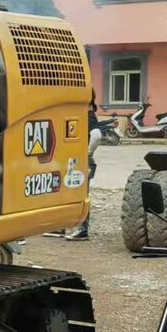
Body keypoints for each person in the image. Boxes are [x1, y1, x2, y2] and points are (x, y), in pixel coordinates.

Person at [66, 92, 101, 241]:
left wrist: (87, 153)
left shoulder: (88, 114)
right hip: (74, 162)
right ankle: (62, 226)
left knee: (81, 195)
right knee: (67, 193)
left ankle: (83, 230)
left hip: (83, 163)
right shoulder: (80, 113)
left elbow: (97, 135)